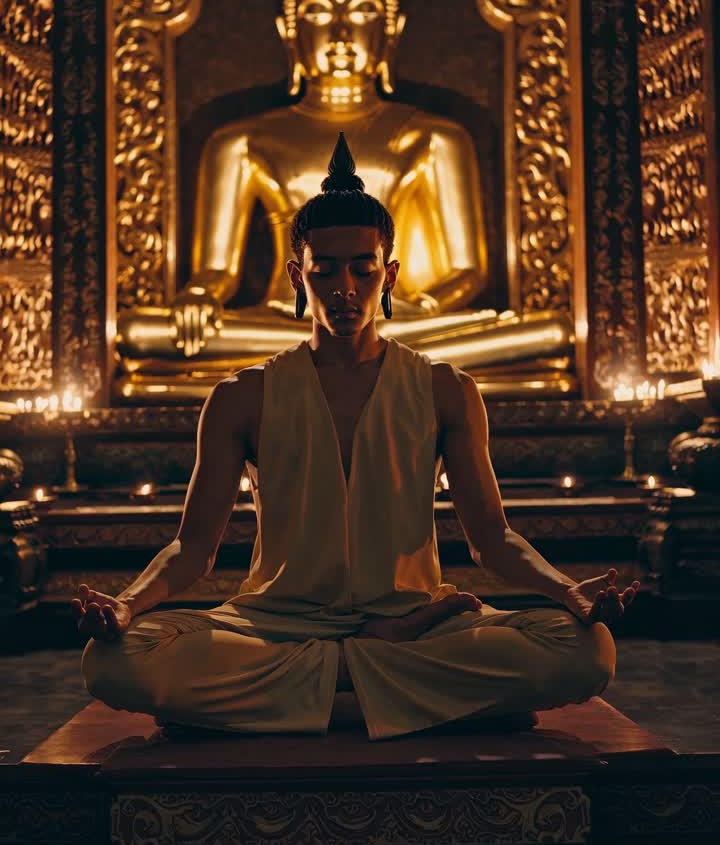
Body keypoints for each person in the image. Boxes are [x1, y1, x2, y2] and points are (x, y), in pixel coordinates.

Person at [76, 135, 635, 742]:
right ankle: (383, 694)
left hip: (414, 620)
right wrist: (127, 605)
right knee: (114, 660)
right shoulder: (242, 395)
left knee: (586, 650)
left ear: (389, 273)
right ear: (298, 273)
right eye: (326, 268)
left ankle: (308, 707)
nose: (345, 286)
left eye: (363, 268)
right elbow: (192, 551)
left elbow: (493, 540)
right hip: (275, 625)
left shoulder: (445, 389)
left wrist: (568, 592)